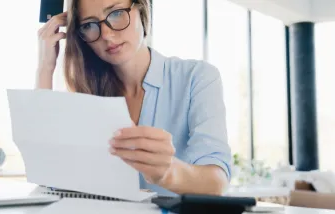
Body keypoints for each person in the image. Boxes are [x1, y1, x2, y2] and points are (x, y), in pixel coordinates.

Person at [36, 0, 231, 196]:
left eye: (116, 13)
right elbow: (47, 172)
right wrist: (45, 68)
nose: (106, 34)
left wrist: (168, 172)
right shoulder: (87, 95)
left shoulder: (197, 77)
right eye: (89, 25)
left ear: (141, 9)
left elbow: (217, 183)